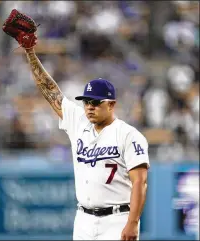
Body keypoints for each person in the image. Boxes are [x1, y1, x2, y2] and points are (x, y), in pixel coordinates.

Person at [8, 30, 150, 241]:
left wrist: (132, 222)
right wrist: (30, 53)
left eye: (95, 102)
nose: (89, 107)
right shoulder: (79, 122)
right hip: (83, 219)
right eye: (86, 102)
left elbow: (140, 182)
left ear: (111, 104)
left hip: (117, 219)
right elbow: (51, 91)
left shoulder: (129, 135)